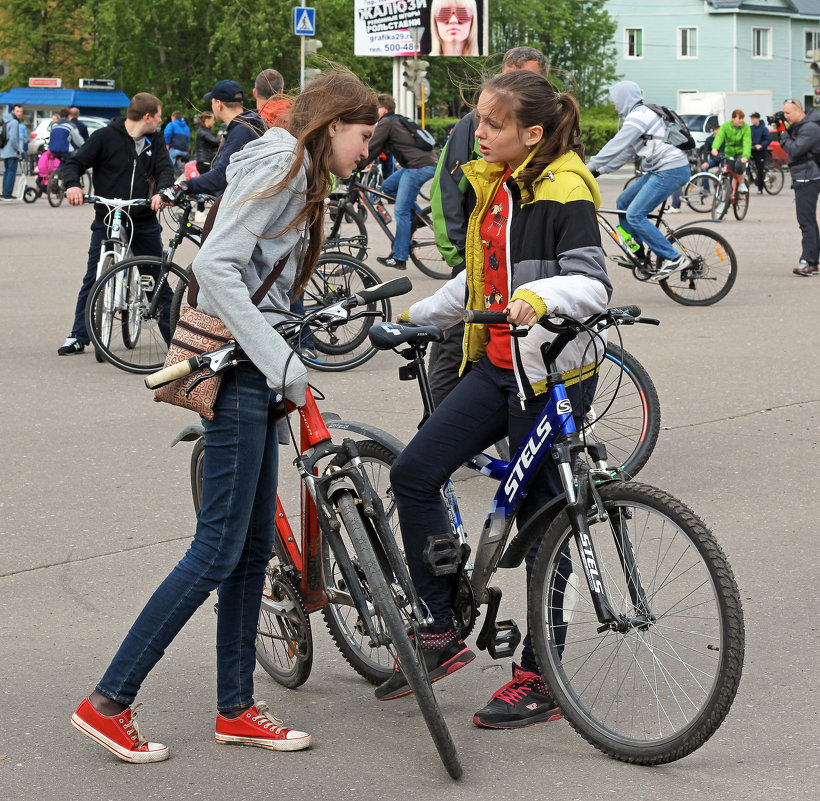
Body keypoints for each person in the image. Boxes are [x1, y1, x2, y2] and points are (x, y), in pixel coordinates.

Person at [70, 70, 379, 764]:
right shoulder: (281, 162)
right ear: (334, 125)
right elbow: (218, 264)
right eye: (364, 136)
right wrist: (283, 363)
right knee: (216, 548)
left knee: (244, 552)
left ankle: (236, 707)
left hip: (252, 370)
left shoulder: (296, 165)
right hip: (240, 371)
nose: (367, 151)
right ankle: (109, 699)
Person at [381, 70, 612, 730]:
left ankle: (540, 675)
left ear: (531, 134)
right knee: (416, 472)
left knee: (543, 526)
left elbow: (592, 284)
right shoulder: (498, 184)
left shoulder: (563, 189)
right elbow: (481, 278)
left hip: (553, 376)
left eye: (492, 124)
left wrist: (542, 299)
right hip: (498, 365)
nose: (477, 132)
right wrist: (418, 314)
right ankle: (439, 627)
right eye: (478, 119)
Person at [427, 45, 549, 406]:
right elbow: (447, 190)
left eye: (535, 80)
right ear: (504, 73)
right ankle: (440, 427)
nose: (528, 87)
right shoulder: (475, 126)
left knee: (523, 351)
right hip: (479, 258)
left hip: (529, 266)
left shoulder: (548, 125)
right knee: (457, 346)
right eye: (520, 77)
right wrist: (461, 254)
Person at [56, 93, 175, 355]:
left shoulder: (155, 140)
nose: (160, 120)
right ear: (147, 116)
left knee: (155, 278)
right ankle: (78, 335)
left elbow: (165, 169)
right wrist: (73, 185)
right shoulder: (104, 137)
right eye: (158, 115)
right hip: (107, 216)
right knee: (94, 276)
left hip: (142, 219)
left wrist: (164, 191)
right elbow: (74, 163)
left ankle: (175, 343)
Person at [587, 80, 691, 281]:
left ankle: (673, 257)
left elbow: (616, 145)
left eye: (615, 97)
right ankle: (636, 251)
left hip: (671, 169)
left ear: (624, 97)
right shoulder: (638, 117)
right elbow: (625, 153)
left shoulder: (639, 116)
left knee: (635, 215)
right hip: (661, 170)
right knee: (623, 202)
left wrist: (589, 166)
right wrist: (598, 171)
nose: (612, 101)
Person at [358, 93, 438, 269]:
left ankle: (399, 257)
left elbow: (373, 146)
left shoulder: (387, 122)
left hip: (419, 167)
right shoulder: (396, 120)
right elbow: (377, 148)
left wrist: (356, 164)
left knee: (401, 211)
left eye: (375, 109)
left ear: (383, 109)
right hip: (417, 165)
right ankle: (418, 218)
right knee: (387, 187)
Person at [176, 79, 265, 197]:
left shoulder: (241, 131)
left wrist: (184, 186)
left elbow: (222, 175)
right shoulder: (249, 125)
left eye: (212, 102)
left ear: (219, 104)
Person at [779, 98, 820, 276]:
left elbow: (795, 150)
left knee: (806, 221)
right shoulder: (801, 125)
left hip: (807, 178)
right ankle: (813, 261)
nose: (785, 116)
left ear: (799, 111)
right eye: (784, 112)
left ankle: (808, 262)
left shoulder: (810, 128)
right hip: (803, 176)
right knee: (808, 220)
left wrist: (783, 135)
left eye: (788, 113)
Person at [710, 109, 751, 191]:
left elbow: (747, 142)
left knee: (739, 166)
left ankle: (742, 184)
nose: (741, 120)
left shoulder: (745, 128)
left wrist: (745, 156)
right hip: (729, 152)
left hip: (741, 152)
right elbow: (719, 137)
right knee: (728, 171)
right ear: (733, 118)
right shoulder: (726, 126)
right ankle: (726, 196)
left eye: (742, 118)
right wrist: (715, 148)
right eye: (739, 118)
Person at [1, 104, 25, 200]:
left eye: (21, 111)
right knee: (11, 172)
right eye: (17, 111)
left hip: (4, 150)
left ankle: (4, 192)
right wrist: (19, 149)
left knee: (7, 172)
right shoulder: (14, 122)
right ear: (13, 111)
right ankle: (7, 193)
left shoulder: (5, 121)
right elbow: (13, 138)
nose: (19, 113)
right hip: (12, 151)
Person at [749, 111, 772, 195]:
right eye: (751, 118)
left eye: (754, 118)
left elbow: (768, 139)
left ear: (758, 119)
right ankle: (751, 178)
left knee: (760, 170)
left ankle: (760, 189)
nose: (752, 120)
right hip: (751, 150)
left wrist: (761, 145)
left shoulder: (763, 128)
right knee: (745, 163)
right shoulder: (750, 128)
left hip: (760, 151)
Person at [193, 111, 220, 175]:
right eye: (213, 120)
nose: (214, 122)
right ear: (207, 120)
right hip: (205, 163)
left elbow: (213, 145)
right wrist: (220, 134)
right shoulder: (203, 131)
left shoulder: (204, 130)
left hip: (205, 163)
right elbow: (215, 141)